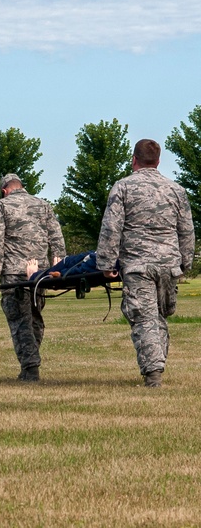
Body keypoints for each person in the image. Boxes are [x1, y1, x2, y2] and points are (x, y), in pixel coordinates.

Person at [96, 139, 195, 388]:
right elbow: (187, 231)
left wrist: (106, 263)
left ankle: (153, 374)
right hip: (168, 264)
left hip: (138, 265)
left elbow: (111, 228)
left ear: (134, 160)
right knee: (158, 315)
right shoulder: (176, 190)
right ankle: (156, 367)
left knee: (146, 317)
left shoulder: (123, 188)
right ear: (158, 161)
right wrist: (186, 263)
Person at [0, 173, 66, 382]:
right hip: (40, 273)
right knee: (35, 318)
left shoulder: (0, 206)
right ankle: (29, 364)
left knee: (20, 321)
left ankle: (30, 368)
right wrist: (60, 267)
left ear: (4, 190)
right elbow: (56, 237)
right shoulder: (43, 205)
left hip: (15, 273)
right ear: (21, 187)